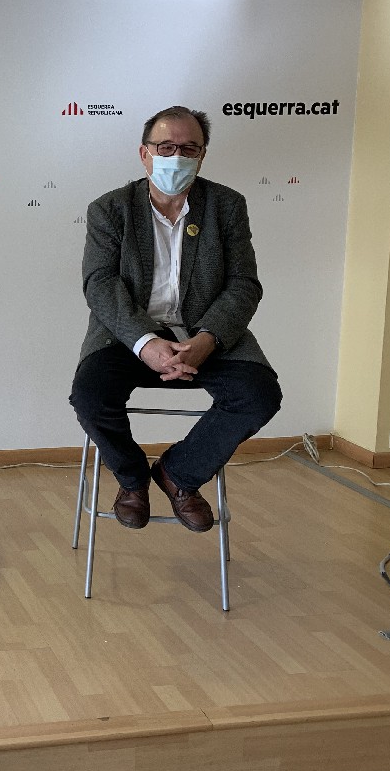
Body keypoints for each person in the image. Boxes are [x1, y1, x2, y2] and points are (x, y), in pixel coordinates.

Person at [70, 106, 281, 533]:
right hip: (127, 336)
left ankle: (177, 474)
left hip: (206, 336)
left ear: (202, 155)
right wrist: (146, 342)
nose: (177, 156)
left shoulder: (226, 206)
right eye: (165, 147)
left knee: (259, 395)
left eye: (189, 148)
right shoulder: (110, 209)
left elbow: (243, 284)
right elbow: (100, 284)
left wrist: (207, 339)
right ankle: (132, 480)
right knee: (90, 397)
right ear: (144, 154)